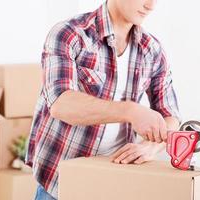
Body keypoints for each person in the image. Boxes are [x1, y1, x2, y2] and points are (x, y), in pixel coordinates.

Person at [25, 0, 181, 199]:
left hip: (115, 184)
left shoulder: (152, 50)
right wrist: (131, 111)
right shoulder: (70, 33)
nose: (151, 6)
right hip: (60, 186)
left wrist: (150, 147)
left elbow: (172, 116)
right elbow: (60, 104)